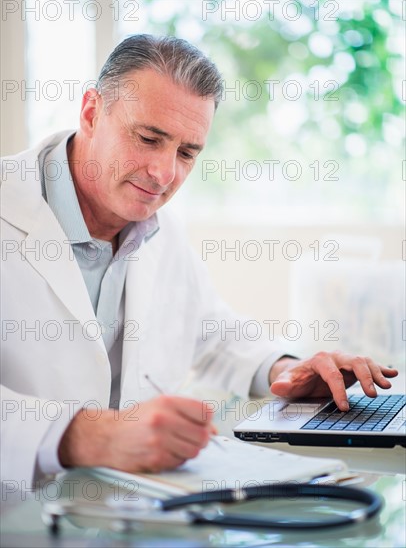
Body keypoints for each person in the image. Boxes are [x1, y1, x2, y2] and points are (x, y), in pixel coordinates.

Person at [0, 34, 397, 487]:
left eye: (187, 153)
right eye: (149, 138)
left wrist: (286, 370)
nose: (165, 173)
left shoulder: (158, 227)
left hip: (127, 512)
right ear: (92, 112)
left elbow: (212, 334)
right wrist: (80, 436)